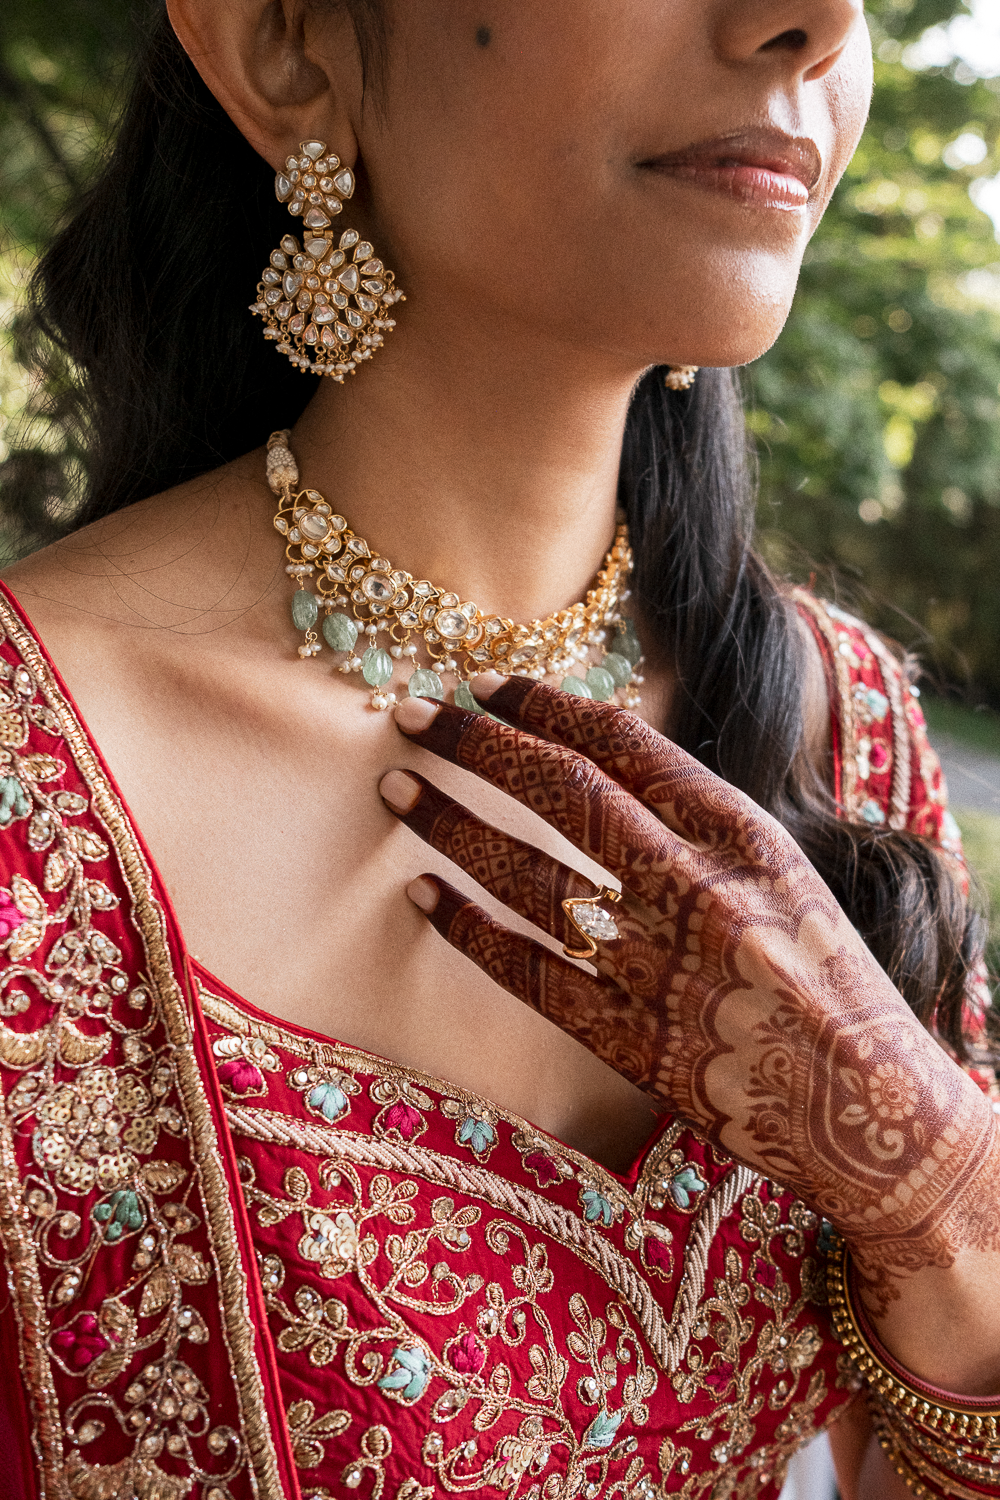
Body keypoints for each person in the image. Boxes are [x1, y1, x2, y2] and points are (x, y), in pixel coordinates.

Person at [0, 2, 997, 1497]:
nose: (818, 23)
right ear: (284, 46)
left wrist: (933, 1190)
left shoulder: (838, 722)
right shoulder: (29, 778)